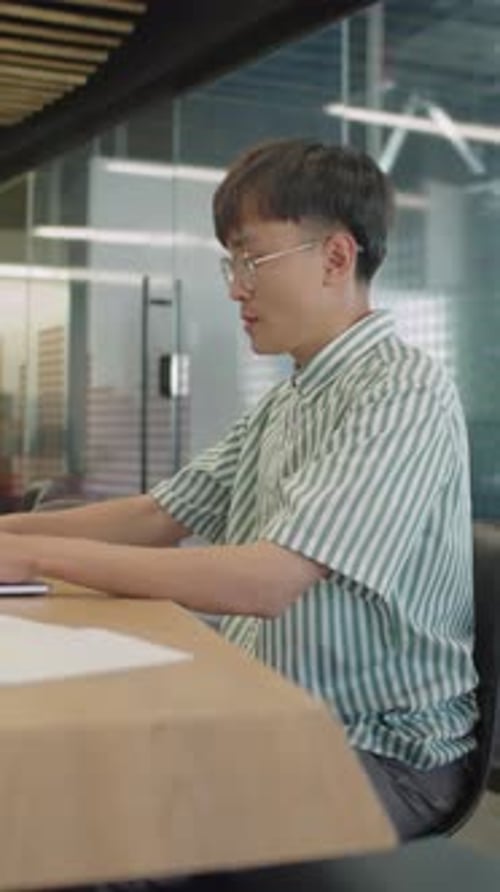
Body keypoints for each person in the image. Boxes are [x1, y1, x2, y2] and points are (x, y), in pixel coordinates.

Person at [0, 139, 477, 840]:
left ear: (337, 258)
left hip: (378, 755)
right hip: (268, 712)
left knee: (76, 817)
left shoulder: (402, 389)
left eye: (251, 259)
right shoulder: (291, 401)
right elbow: (157, 515)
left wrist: (38, 562)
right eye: (233, 262)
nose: (234, 286)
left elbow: (268, 582)